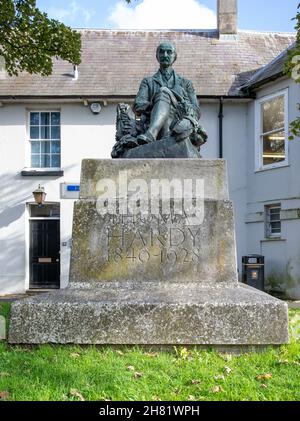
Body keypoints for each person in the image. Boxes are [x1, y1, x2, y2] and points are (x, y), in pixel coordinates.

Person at [133, 41, 202, 144]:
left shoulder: (186, 83)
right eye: (161, 52)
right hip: (153, 120)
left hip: (178, 121)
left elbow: (196, 111)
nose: (165, 55)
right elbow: (138, 105)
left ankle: (151, 133)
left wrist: (181, 102)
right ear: (157, 56)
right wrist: (157, 104)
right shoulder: (148, 82)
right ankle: (160, 136)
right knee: (163, 93)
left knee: (163, 91)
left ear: (175, 56)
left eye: (169, 52)